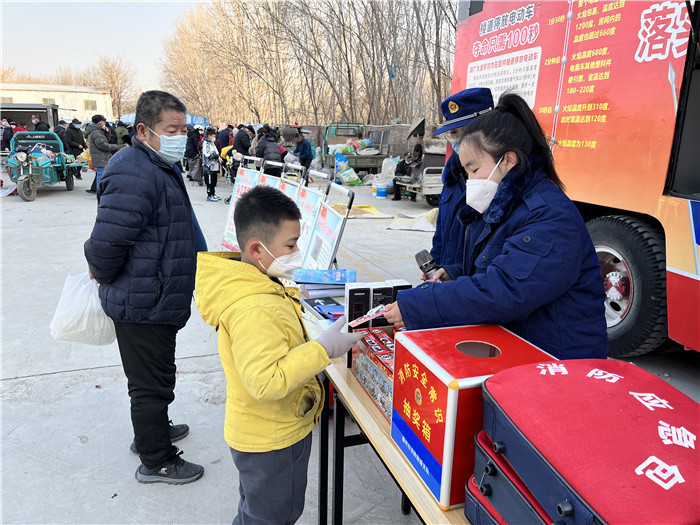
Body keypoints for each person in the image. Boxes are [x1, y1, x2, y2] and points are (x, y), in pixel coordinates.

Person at [384, 93, 608, 360]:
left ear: (508, 160)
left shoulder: (550, 217)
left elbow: (506, 291)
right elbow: (496, 265)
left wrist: (420, 304)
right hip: (517, 349)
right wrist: (454, 274)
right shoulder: (502, 204)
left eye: (474, 169)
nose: (470, 181)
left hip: (557, 362)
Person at [194, 184, 361, 525]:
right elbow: (266, 381)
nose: (297, 252)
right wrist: (323, 348)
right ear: (257, 249)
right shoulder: (255, 307)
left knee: (258, 511)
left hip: (262, 430)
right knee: (271, 517)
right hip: (272, 439)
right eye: (290, 245)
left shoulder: (256, 284)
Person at [84, 90, 207, 484]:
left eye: (184, 130)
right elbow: (106, 243)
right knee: (150, 384)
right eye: (171, 130)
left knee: (156, 375)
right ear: (143, 130)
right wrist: (105, 275)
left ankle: (152, 430)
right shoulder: (133, 171)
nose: (180, 138)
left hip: (154, 294)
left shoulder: (154, 163)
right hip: (143, 300)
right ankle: (156, 459)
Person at [430, 88, 495, 279]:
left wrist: (458, 275)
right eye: (452, 134)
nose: (457, 141)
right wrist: (436, 270)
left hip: (474, 287)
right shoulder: (452, 177)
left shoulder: (497, 184)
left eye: (463, 133)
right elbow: (440, 233)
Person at [86, 115, 121, 194]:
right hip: (100, 157)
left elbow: (105, 141)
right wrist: (118, 147)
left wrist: (107, 132)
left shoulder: (98, 131)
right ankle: (100, 193)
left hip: (102, 157)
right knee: (101, 176)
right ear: (100, 122)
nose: (105, 124)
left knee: (102, 175)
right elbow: (102, 145)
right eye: (104, 122)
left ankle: (101, 192)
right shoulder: (96, 132)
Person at [201, 127, 222, 201]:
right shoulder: (205, 143)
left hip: (214, 166)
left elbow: (216, 152)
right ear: (209, 136)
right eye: (213, 136)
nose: (214, 138)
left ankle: (213, 193)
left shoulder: (212, 143)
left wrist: (219, 157)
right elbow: (208, 154)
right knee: (209, 182)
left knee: (214, 181)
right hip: (208, 167)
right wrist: (216, 156)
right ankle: (209, 195)